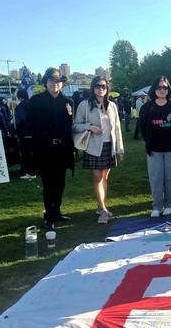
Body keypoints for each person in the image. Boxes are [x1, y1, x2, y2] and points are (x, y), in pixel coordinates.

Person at [27, 67, 75, 229]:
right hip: (45, 150)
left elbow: (70, 127)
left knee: (60, 183)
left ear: (62, 84)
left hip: (62, 150)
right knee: (48, 184)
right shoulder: (36, 101)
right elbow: (30, 126)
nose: (55, 84)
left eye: (58, 81)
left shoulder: (68, 102)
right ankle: (49, 215)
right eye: (51, 81)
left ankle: (57, 211)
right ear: (46, 82)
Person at [73, 76, 124, 224]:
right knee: (98, 178)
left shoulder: (112, 105)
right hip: (94, 146)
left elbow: (117, 128)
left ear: (107, 88)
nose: (100, 89)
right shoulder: (84, 105)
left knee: (105, 177)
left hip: (109, 146)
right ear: (92, 88)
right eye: (97, 86)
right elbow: (75, 125)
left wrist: (119, 149)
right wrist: (90, 127)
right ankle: (102, 208)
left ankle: (101, 206)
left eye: (103, 86)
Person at [139, 76, 171, 217]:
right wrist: (149, 142)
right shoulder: (147, 107)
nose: (162, 90)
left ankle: (170, 204)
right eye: (159, 87)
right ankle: (156, 206)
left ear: (168, 89)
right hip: (154, 150)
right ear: (154, 89)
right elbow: (142, 128)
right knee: (156, 179)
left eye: (165, 87)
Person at [14, 89, 36, 180]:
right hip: (35, 133)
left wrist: (17, 132)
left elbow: (20, 122)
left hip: (25, 134)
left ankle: (30, 173)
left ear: (19, 97)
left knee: (26, 154)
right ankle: (35, 171)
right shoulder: (34, 105)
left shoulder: (20, 107)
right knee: (34, 153)